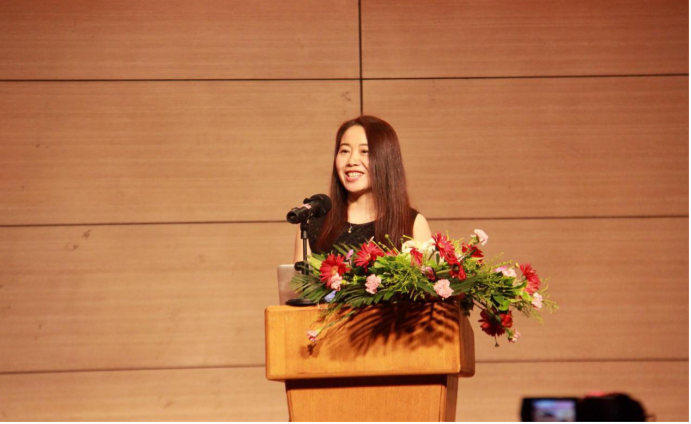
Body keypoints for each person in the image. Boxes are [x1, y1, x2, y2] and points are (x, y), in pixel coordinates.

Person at [293, 115, 432, 263]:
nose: (352, 161)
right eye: (344, 151)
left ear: (386, 159)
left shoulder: (412, 224)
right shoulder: (313, 224)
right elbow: (295, 278)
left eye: (364, 151)